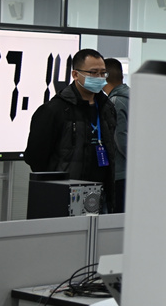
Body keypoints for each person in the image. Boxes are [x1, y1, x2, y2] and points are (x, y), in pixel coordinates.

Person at [25, 48, 117, 210]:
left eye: (103, 73)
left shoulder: (107, 107)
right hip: (64, 195)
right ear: (75, 74)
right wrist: (56, 182)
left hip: (101, 193)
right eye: (93, 73)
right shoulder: (54, 110)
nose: (99, 77)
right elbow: (36, 157)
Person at [103, 58, 130, 213]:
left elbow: (120, 139)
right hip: (130, 172)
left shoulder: (115, 102)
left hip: (120, 173)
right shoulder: (132, 97)